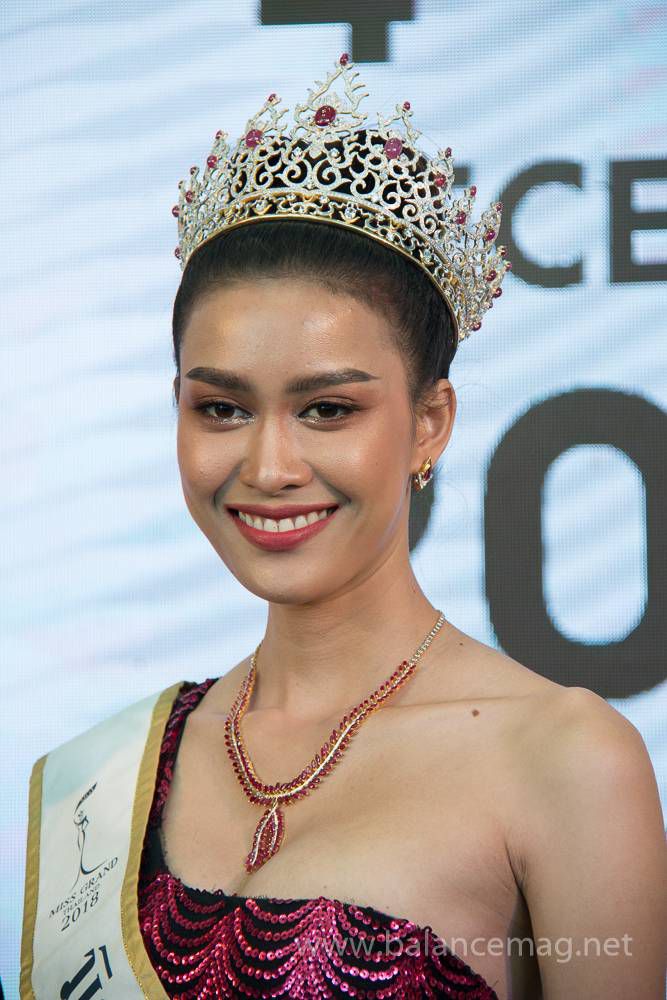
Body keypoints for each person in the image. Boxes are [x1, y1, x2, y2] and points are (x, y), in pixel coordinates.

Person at [21, 56, 666, 1000]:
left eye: (326, 409)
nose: (268, 466)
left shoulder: (563, 758)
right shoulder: (107, 781)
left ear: (430, 422)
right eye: (221, 409)